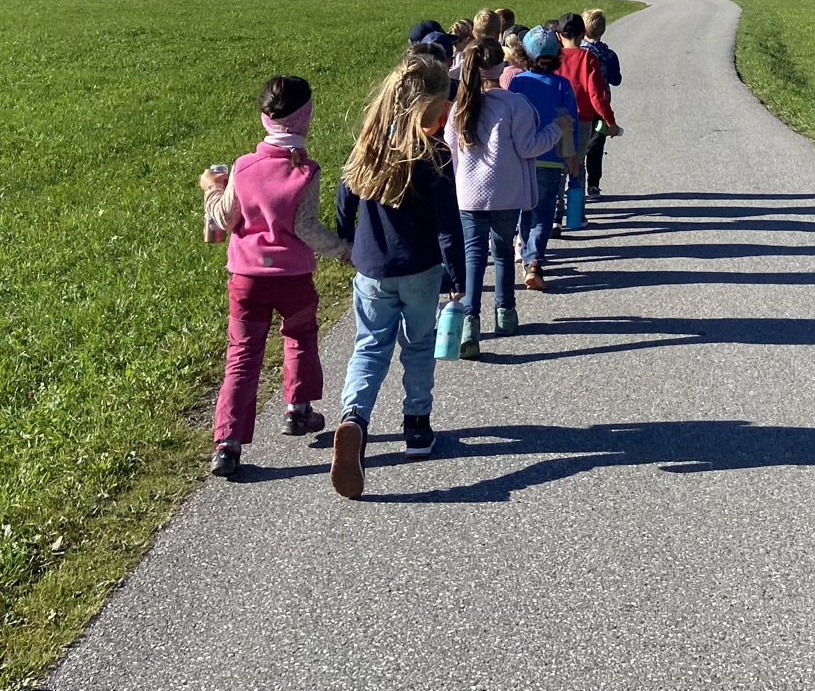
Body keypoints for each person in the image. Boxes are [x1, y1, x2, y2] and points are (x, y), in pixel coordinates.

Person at [199, 74, 349, 479]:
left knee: (242, 357)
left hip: (246, 279)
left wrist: (212, 189)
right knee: (299, 337)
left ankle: (227, 444)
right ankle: (297, 409)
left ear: (265, 118)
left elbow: (224, 218)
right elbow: (307, 227)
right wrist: (342, 250)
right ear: (306, 117)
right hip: (293, 278)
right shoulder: (306, 171)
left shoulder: (244, 167)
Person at [331, 53, 464, 498]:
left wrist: (348, 240)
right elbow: (449, 225)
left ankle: (354, 420)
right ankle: (417, 427)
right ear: (432, 108)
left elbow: (344, 201)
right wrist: (458, 276)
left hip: (371, 267)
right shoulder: (435, 156)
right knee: (419, 345)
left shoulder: (368, 148)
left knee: (369, 346)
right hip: (421, 269)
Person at [444, 36, 557, 354]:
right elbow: (528, 146)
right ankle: (505, 314)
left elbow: (450, 143)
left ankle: (470, 321)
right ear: (501, 67)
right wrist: (555, 129)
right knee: (503, 251)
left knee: (473, 256)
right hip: (506, 193)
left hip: (469, 193)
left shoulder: (461, 107)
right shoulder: (514, 104)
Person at [503, 24, 579, 291]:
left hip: (521, 158)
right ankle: (534, 260)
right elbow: (570, 123)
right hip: (551, 158)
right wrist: (572, 158)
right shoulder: (562, 85)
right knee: (544, 212)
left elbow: (508, 120)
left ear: (526, 55)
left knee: (526, 210)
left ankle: (527, 259)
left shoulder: (518, 82)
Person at [558, 13, 621, 202]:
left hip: (557, 118)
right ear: (581, 33)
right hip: (583, 117)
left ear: (559, 35)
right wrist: (610, 121)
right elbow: (596, 94)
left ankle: (556, 212)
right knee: (578, 162)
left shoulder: (554, 56)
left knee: (559, 163)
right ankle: (577, 211)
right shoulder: (587, 58)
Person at [578, 9, 622, 198]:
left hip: (580, 102)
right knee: (596, 144)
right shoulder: (609, 54)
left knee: (577, 143)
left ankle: (574, 181)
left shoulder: (577, 52)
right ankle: (593, 184)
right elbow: (616, 79)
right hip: (602, 105)